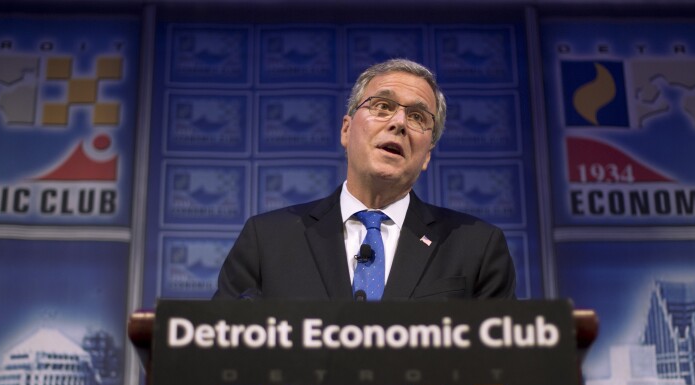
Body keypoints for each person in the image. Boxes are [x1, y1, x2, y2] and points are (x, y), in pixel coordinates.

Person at [213, 58, 516, 301]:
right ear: (346, 130)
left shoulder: (476, 246)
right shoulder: (267, 239)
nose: (399, 123)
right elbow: (220, 352)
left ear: (427, 156)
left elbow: (500, 366)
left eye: (418, 117)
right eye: (383, 106)